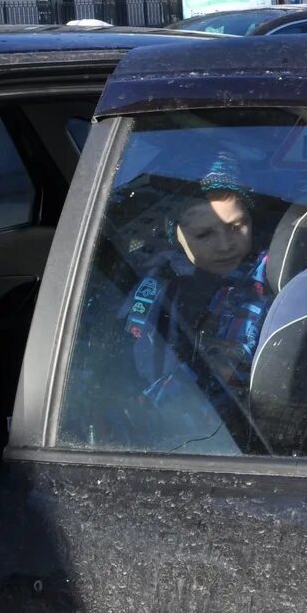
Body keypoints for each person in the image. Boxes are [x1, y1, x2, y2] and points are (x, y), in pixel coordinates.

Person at [124, 155, 270, 419]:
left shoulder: (255, 285)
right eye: (204, 234)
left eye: (237, 226)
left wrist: (143, 410)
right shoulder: (159, 275)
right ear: (175, 236)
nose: (226, 245)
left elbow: (225, 367)